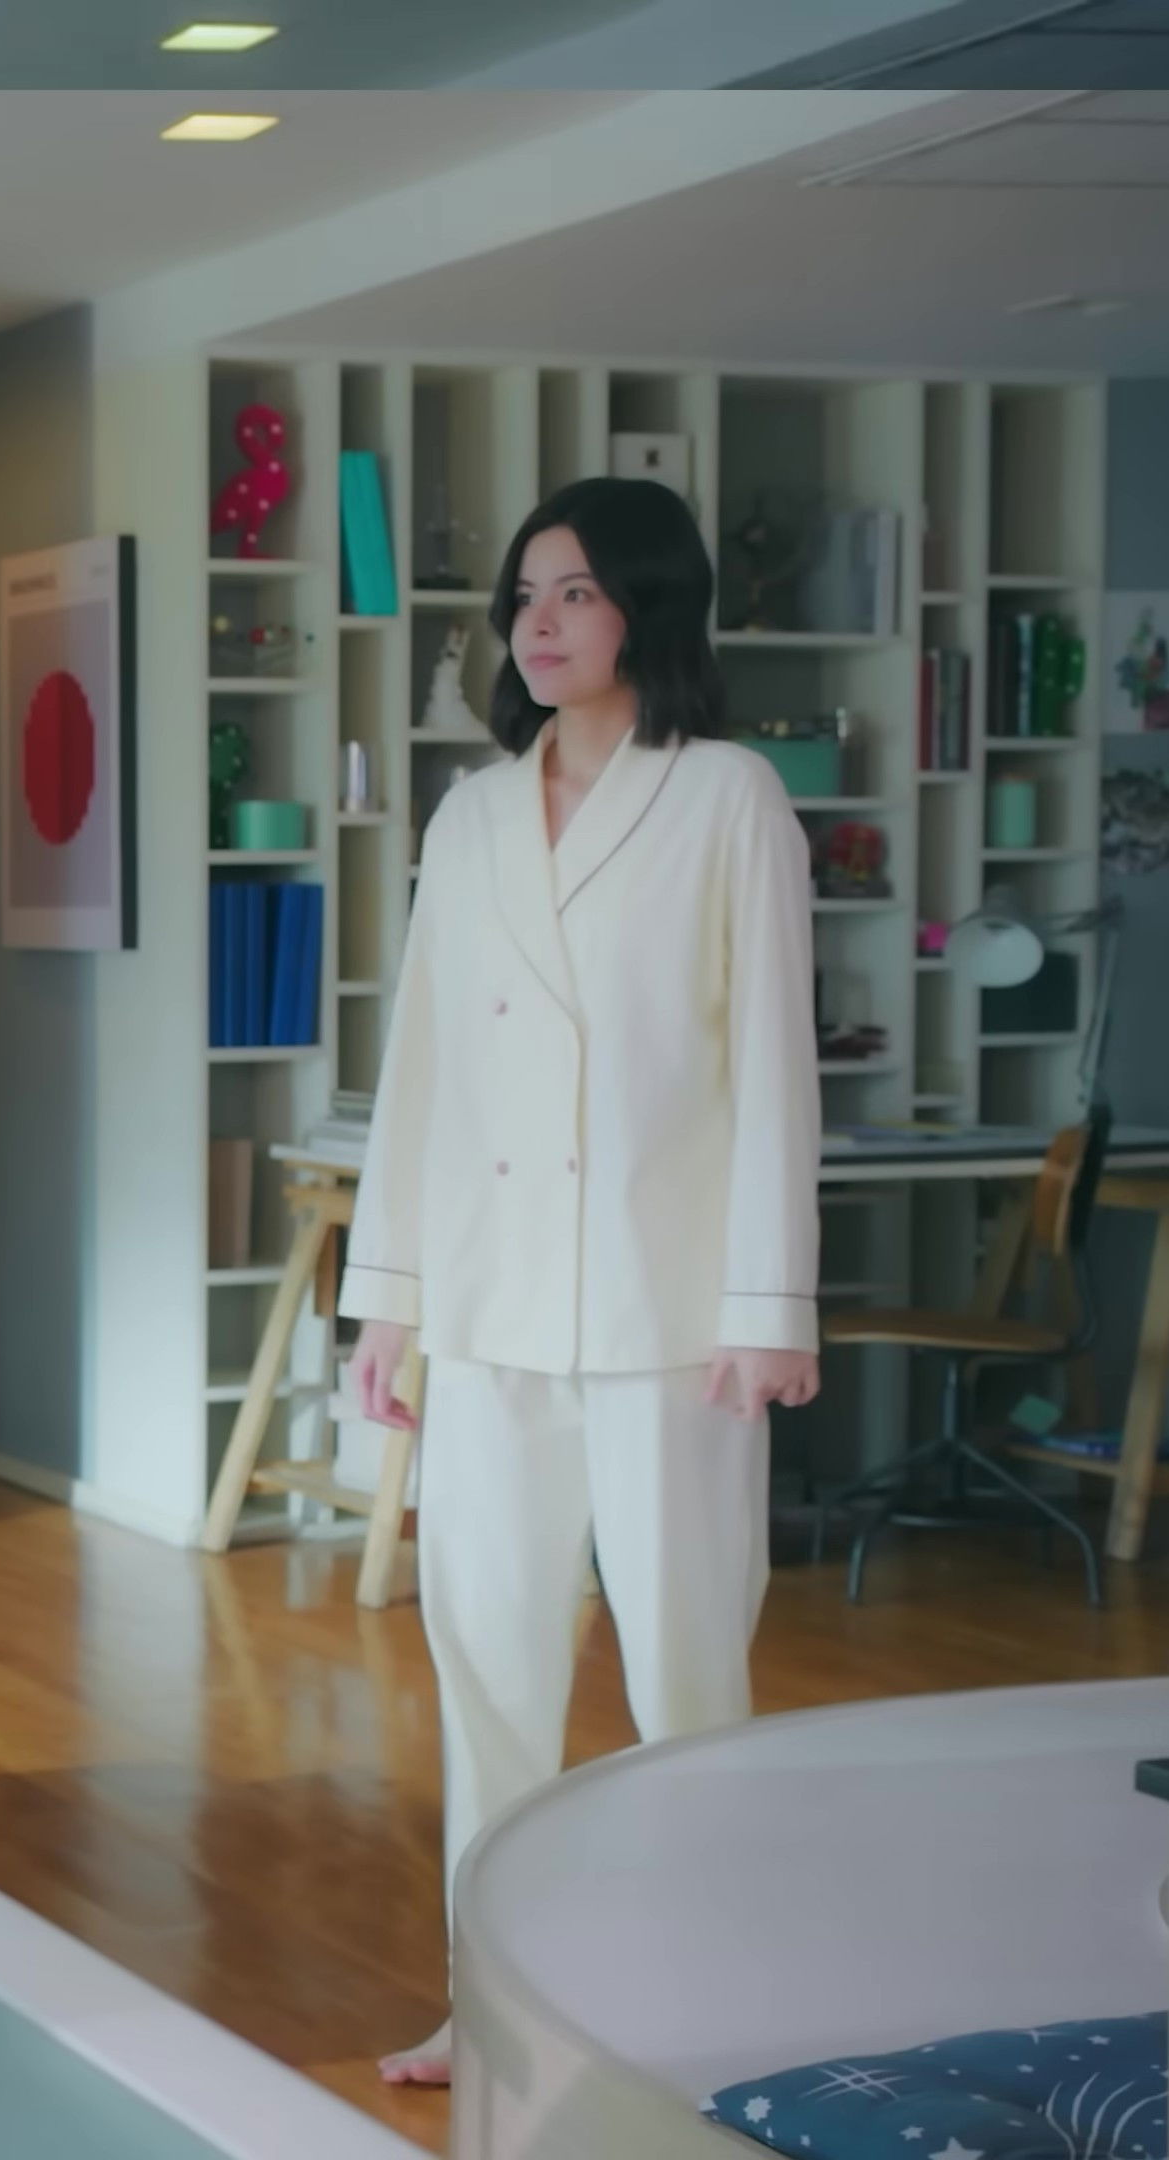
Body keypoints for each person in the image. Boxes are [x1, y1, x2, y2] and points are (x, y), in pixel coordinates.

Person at [336, 478, 821, 2088]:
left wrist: (768, 1306)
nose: (540, 624)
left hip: (670, 1319)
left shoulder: (728, 797)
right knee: (485, 1670)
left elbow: (775, 1065)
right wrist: (390, 1296)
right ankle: (493, 2005)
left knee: (687, 1670)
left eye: (579, 593)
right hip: (490, 1310)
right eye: (527, 596)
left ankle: (707, 2005)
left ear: (648, 609)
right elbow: (422, 1066)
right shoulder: (470, 815)